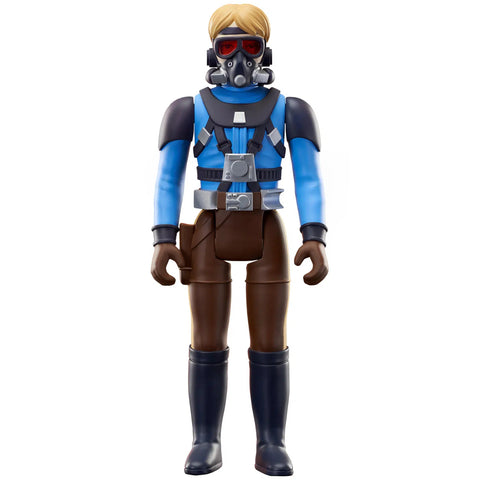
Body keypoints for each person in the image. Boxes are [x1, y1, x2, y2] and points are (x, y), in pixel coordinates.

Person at [151, 4, 328, 476]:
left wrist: (314, 235)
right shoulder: (187, 110)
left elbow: (308, 176)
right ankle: (205, 440)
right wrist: (163, 237)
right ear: (213, 53)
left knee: (270, 340)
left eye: (250, 46)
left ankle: (271, 442)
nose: (239, 59)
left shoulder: (292, 110)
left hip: (267, 226)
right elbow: (168, 177)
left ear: (265, 51)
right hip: (209, 226)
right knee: (206, 338)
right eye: (227, 46)